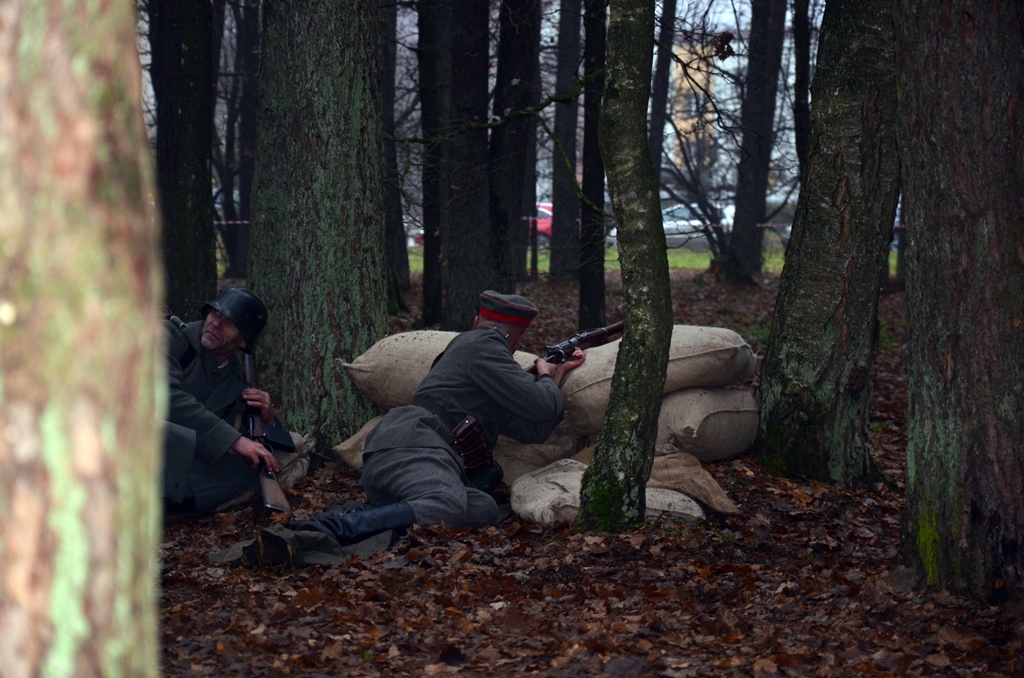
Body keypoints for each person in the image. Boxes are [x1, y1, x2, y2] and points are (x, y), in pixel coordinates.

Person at [287, 290, 586, 546]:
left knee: (482, 507)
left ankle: (372, 516)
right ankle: (336, 528)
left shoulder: (483, 369)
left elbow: (534, 428)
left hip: (411, 454)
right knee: (447, 506)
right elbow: (544, 405)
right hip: (413, 444)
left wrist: (555, 375)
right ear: (518, 339)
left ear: (476, 321)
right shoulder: (482, 345)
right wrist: (545, 376)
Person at [163, 287, 286, 514]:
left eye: (229, 323)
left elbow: (254, 442)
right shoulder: (169, 336)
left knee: (247, 473)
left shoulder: (234, 381)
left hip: (178, 459)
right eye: (215, 314)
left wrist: (267, 419)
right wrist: (233, 440)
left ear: (243, 342)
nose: (216, 324)